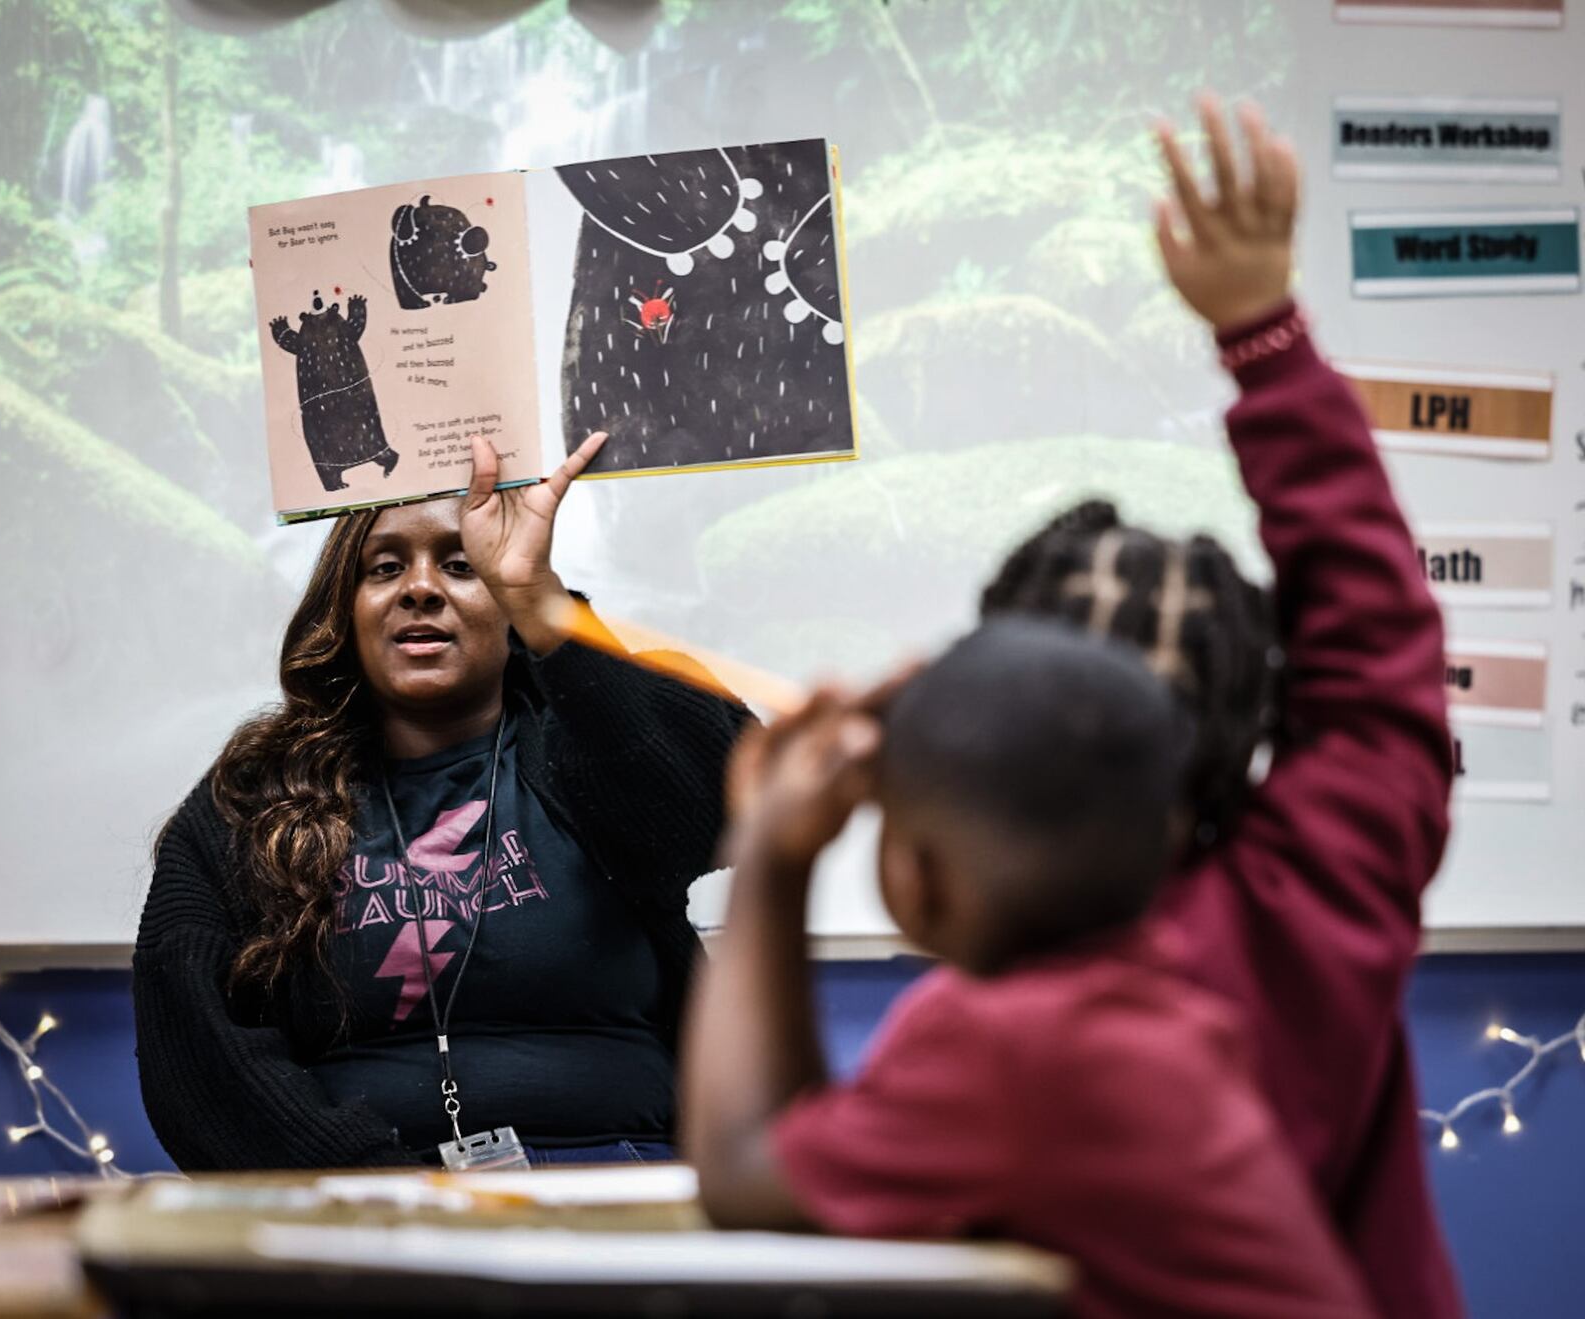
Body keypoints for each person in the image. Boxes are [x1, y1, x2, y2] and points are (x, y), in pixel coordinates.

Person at [981, 97, 1459, 1317]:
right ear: (1239, 720)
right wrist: (1264, 335)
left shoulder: (977, 1007)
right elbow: (1375, 652)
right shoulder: (1313, 897)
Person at [683, 619, 1374, 1319]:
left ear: (921, 876)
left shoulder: (1010, 1043)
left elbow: (744, 1175)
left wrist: (770, 850)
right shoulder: (1148, 997)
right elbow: (803, 1152)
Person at [135, 431, 751, 1169]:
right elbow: (198, 1052)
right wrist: (381, 1193)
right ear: (347, 609)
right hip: (362, 1214)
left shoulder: (580, 741)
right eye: (385, 566)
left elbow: (725, 801)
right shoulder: (255, 799)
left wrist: (545, 603)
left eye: (461, 565)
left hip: (623, 1185)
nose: (420, 587)